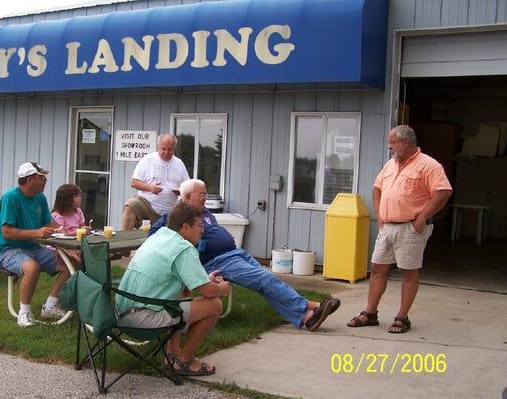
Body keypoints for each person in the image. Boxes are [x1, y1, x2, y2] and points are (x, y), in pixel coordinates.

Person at [151, 179, 341, 332]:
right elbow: (155, 235)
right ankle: (310, 306)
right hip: (217, 261)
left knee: (266, 283)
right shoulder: (174, 216)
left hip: (236, 253)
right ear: (186, 197)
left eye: (205, 194)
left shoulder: (205, 212)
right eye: (201, 194)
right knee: (264, 278)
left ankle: (306, 318)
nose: (205, 198)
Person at [347, 125, 452, 333]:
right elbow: (377, 188)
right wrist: (379, 216)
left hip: (410, 228)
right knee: (377, 268)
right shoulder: (390, 165)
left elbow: (443, 191)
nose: (389, 147)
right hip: (387, 228)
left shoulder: (428, 165)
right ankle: (370, 313)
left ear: (405, 142)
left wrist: (423, 216)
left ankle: (402, 317)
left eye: (392, 142)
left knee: (408, 272)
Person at [116, 202, 230, 376]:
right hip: (142, 319)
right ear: (185, 227)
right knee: (214, 305)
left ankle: (173, 351)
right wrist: (223, 288)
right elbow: (208, 292)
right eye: (199, 226)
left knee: (184, 291)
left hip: (122, 313)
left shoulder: (159, 236)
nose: (203, 231)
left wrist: (205, 280)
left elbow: (177, 277)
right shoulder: (183, 249)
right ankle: (183, 361)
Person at [0, 162, 71, 328]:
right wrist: (35, 233)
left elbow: (48, 224)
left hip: (33, 248)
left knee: (71, 264)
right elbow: (6, 231)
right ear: (30, 179)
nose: (45, 181)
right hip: (7, 250)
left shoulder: (40, 197)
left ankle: (50, 305)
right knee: (32, 268)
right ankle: (24, 313)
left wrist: (69, 232)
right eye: (42, 178)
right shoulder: (11, 198)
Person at [121, 133, 190, 230]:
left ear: (174, 149)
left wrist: (180, 191)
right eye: (163, 149)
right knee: (131, 205)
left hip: (170, 209)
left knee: (187, 212)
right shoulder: (148, 160)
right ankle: (126, 239)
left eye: (170, 150)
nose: (166, 152)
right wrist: (150, 188)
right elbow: (134, 182)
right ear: (158, 146)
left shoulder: (179, 164)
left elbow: (187, 187)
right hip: (147, 205)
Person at [51, 183, 90, 267]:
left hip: (76, 245)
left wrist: (86, 230)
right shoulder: (57, 216)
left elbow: (82, 229)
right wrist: (78, 231)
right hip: (61, 248)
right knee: (78, 261)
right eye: (76, 196)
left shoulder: (78, 212)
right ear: (66, 199)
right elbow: (61, 236)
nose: (80, 198)